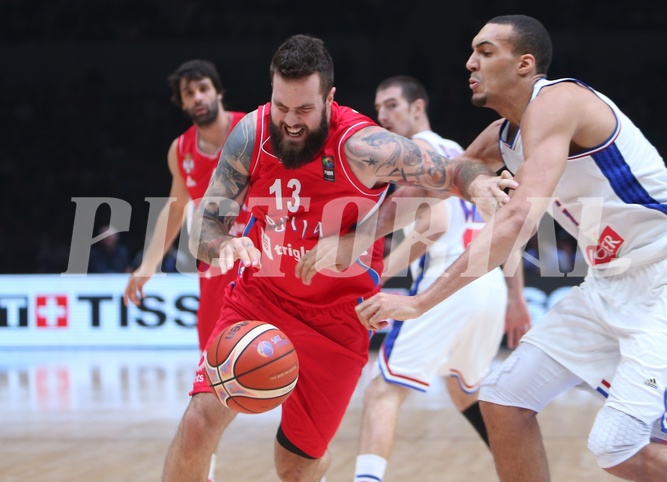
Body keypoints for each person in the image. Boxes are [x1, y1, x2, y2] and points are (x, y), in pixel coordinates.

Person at [355, 15, 667, 482]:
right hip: (607, 282)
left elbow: (517, 221)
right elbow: (433, 186)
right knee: (502, 400)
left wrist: (418, 302)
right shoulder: (504, 136)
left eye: (486, 51)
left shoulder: (559, 101)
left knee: (618, 446)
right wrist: (350, 238)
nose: (469, 61)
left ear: (525, 63)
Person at [164, 34, 514, 482]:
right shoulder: (250, 133)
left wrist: (479, 184)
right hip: (258, 301)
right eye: (281, 107)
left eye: (304, 110)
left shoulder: (361, 144)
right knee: (198, 421)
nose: (290, 122)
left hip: (338, 320)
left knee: (295, 464)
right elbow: (206, 227)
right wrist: (221, 244)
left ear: (329, 99)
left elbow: (448, 169)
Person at [353, 75, 531, 482]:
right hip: (486, 287)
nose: (382, 115)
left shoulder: (418, 154)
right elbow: (507, 228)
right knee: (464, 390)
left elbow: (432, 226)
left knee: (383, 390)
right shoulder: (461, 154)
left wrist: (376, 271)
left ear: (418, 108)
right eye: (379, 107)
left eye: (392, 105)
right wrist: (514, 297)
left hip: (447, 282)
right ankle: (521, 472)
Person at [122, 59, 247, 482]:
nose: (197, 97)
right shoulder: (181, 151)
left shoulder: (251, 130)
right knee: (209, 381)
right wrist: (148, 265)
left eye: (203, 88)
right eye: (189, 93)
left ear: (218, 92)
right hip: (214, 273)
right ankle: (203, 472)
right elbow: (175, 209)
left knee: (292, 369)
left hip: (264, 262)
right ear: (183, 103)